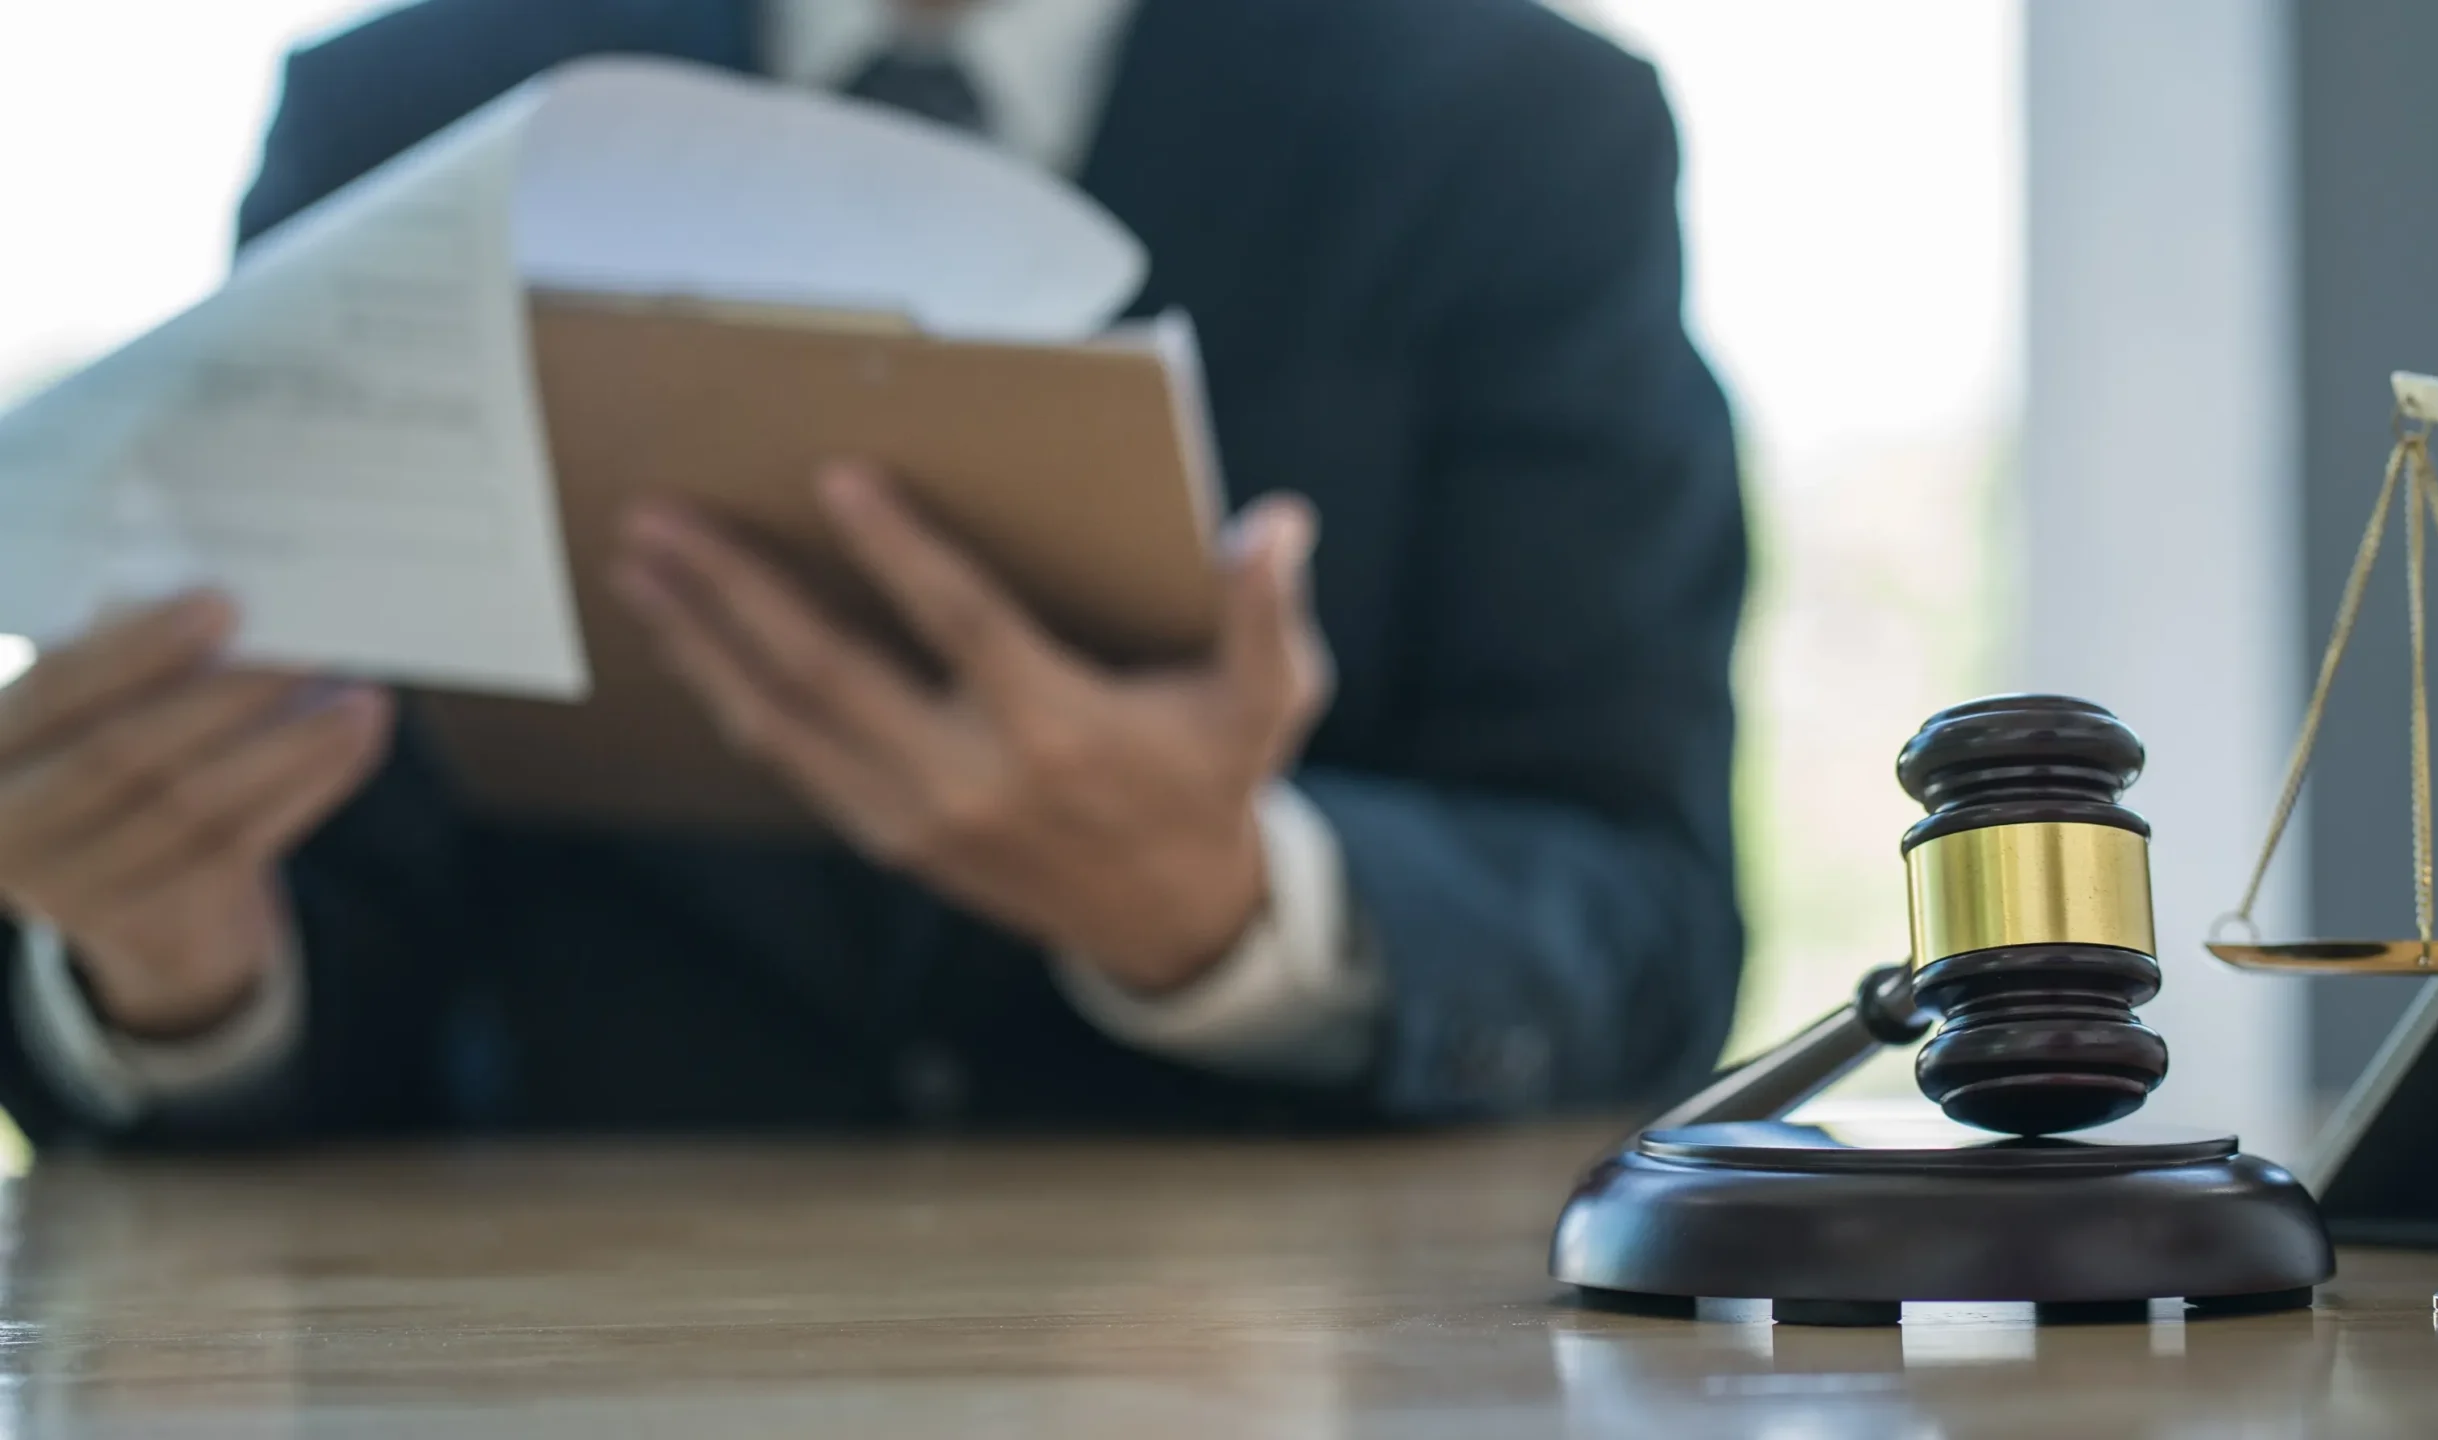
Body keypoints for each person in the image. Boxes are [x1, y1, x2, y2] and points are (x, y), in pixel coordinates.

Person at [0, 0, 1748, 1143]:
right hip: (561, 1346)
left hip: (1253, 1348)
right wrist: (174, 959)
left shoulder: (1514, 128)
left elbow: (1646, 915)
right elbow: (336, 892)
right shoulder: (402, 108)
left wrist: (1238, 910)